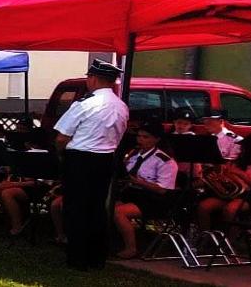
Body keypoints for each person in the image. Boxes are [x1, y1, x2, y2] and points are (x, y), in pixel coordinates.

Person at [52, 59, 130, 271]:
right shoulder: (121, 106)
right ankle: (97, 258)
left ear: (93, 79)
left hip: (81, 159)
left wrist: (61, 155)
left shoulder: (85, 104)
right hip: (105, 159)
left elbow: (61, 137)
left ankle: (77, 258)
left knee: (76, 208)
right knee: (97, 209)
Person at [107, 123, 178, 259]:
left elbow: (163, 190)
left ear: (156, 139)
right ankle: (111, 242)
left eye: (145, 137)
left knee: (118, 212)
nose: (140, 140)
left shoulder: (164, 160)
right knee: (107, 206)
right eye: (139, 136)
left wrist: (140, 182)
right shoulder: (133, 154)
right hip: (133, 194)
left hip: (154, 199)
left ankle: (131, 248)